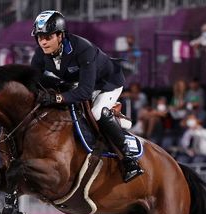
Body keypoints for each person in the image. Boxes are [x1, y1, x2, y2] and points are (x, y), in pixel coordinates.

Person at [30, 10, 143, 182]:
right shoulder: (40, 54)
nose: (43, 42)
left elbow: (84, 92)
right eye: (39, 37)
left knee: (97, 112)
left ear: (60, 35)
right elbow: (33, 81)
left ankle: (129, 159)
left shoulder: (83, 49)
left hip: (107, 83)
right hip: (79, 83)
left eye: (48, 37)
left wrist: (56, 98)